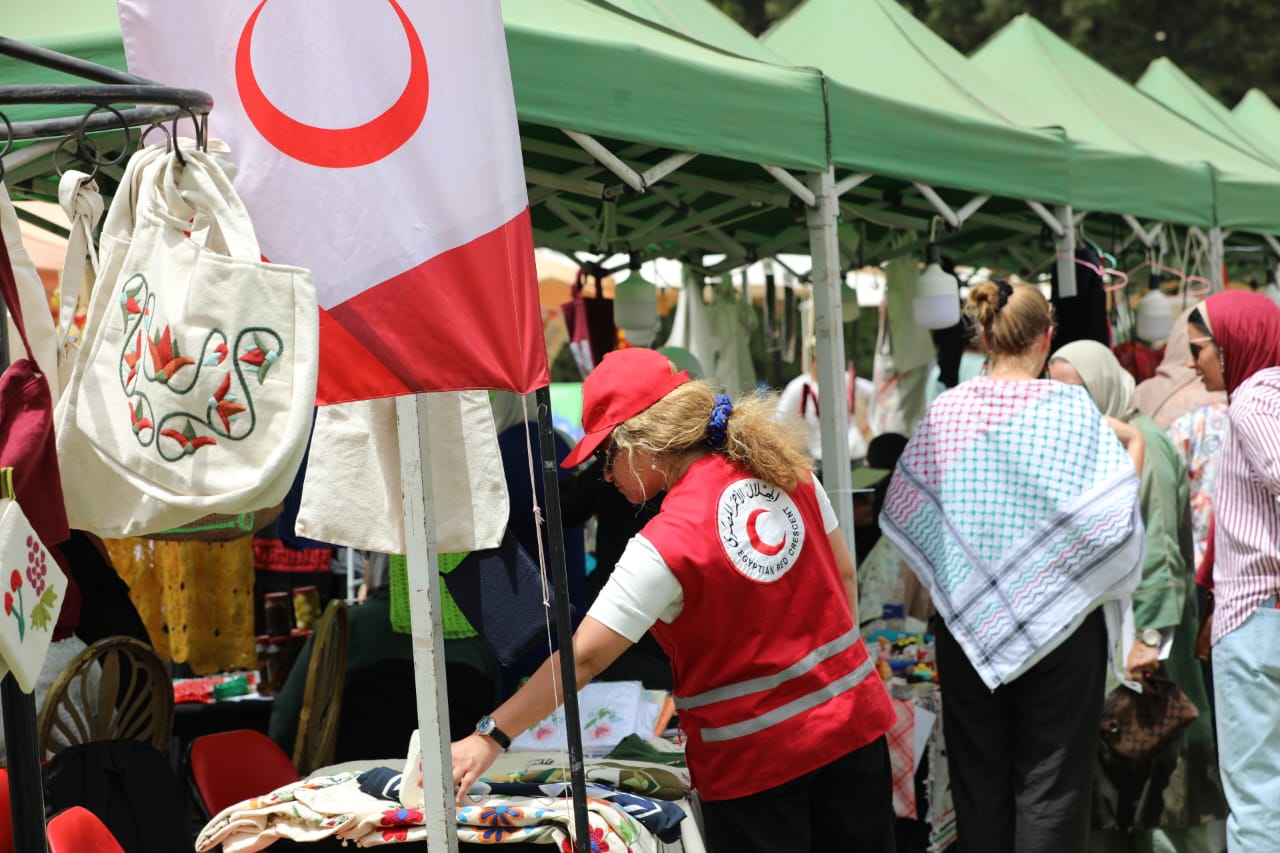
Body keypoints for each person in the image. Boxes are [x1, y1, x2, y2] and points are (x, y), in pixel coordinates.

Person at [452, 347, 898, 853]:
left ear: (645, 445)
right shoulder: (788, 470)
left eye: (606, 455)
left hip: (754, 761)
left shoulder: (667, 540)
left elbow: (585, 656)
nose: (604, 475)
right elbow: (843, 573)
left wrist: (490, 736)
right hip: (852, 728)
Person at [882, 281, 1147, 853]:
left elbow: (905, 507)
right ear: (1048, 338)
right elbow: (1115, 516)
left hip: (965, 626)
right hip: (1065, 629)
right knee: (1051, 790)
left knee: (979, 785)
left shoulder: (946, 410)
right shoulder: (1070, 408)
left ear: (983, 335)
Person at [1048, 340, 1226, 852]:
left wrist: (1149, 638)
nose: (1066, 406)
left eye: (1074, 392)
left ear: (1102, 384)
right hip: (1120, 644)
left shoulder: (1142, 441)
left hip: (1152, 645)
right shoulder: (1099, 442)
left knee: (1170, 793)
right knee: (1126, 787)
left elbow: (1161, 548)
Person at [1186, 291, 1280, 852]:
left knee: (1256, 796)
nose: (1193, 363)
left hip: (1258, 619)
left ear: (1232, 344)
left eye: (1199, 349)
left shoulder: (1252, 400)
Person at [775, 355, 873, 473]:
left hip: (854, 454)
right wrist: (794, 449)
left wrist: (867, 423)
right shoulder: (800, 386)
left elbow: (875, 393)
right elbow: (778, 420)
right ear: (812, 362)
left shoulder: (846, 380)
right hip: (821, 458)